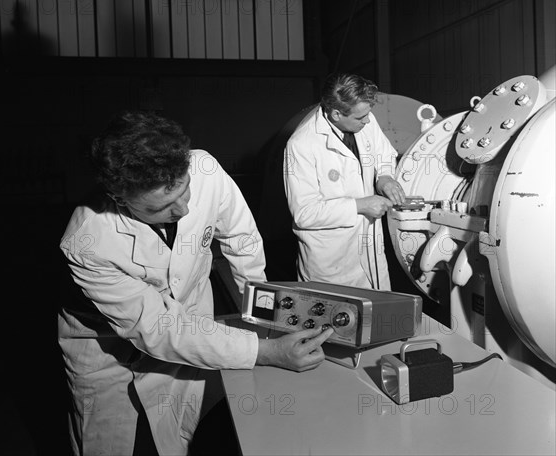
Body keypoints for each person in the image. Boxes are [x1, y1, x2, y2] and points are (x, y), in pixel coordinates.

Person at [58, 111, 334, 456]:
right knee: (110, 443)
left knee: (189, 436)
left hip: (190, 324)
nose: (185, 210)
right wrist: (264, 352)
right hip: (106, 350)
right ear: (119, 199)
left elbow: (242, 240)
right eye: (162, 207)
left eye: (184, 191)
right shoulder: (89, 241)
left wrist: (265, 319)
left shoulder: (204, 169)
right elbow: (159, 329)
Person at [283, 73, 406, 290]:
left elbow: (384, 153)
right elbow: (305, 214)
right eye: (360, 118)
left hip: (371, 252)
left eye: (367, 115)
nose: (367, 121)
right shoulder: (301, 145)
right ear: (337, 113)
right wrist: (360, 205)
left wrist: (384, 177)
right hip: (331, 265)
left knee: (377, 316)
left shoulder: (365, 119)